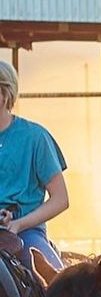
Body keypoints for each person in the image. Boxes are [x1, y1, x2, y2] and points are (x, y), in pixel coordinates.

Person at [0, 60, 68, 272]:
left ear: (4, 94)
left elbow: (60, 199)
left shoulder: (35, 137)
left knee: (56, 287)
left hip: (26, 233)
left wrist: (18, 224)